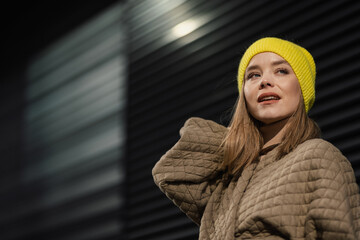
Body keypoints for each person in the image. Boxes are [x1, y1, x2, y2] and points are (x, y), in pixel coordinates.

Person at [152, 37, 360, 239]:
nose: (265, 81)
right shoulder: (232, 176)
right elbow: (170, 173)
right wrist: (237, 140)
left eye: (281, 71)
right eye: (253, 75)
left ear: (302, 88)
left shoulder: (318, 155)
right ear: (243, 94)